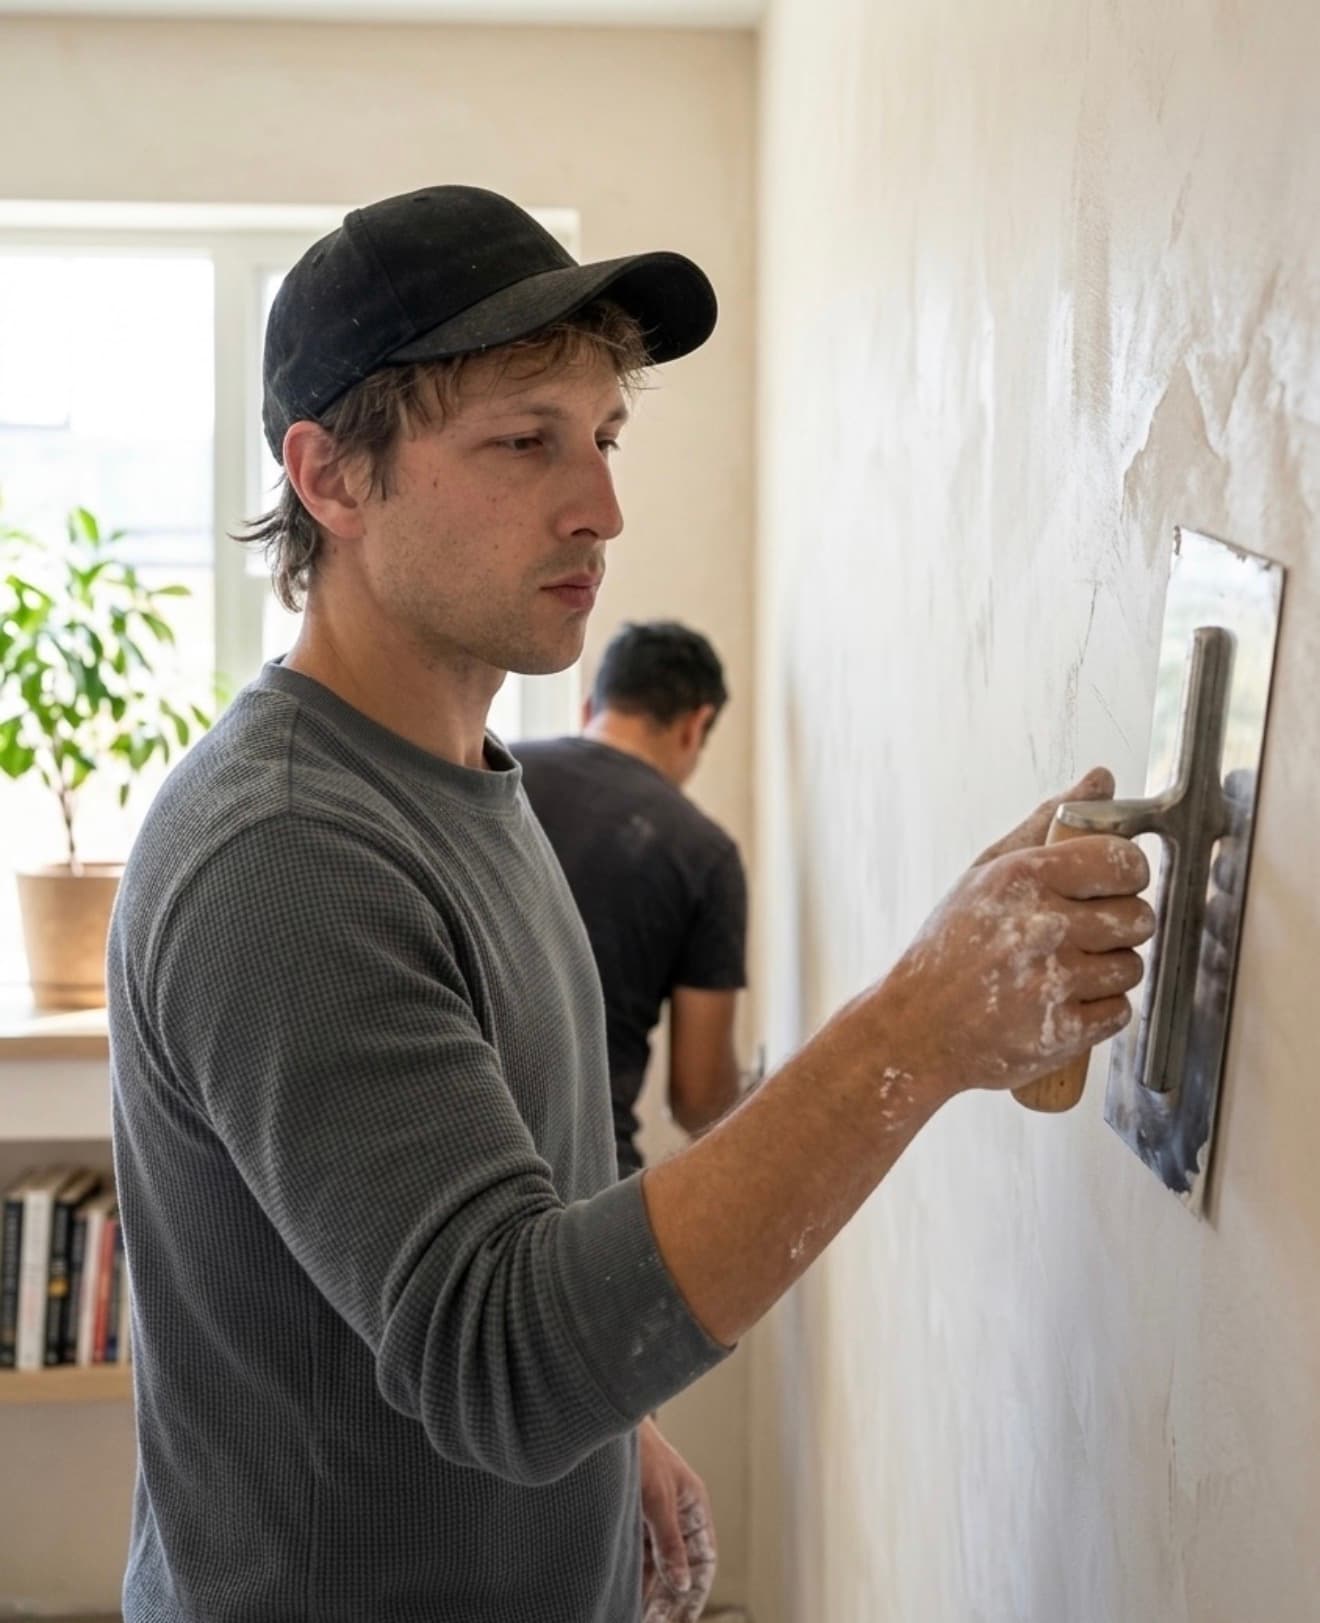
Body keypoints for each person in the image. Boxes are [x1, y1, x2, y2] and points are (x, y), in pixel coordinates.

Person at [106, 184, 1154, 1623]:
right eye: (523, 440)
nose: (600, 508)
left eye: (600, 437)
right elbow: (503, 1360)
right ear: (331, 477)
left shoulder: (466, 774)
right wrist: (918, 1027)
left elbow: (515, 1204)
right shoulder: (286, 853)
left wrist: (620, 1423)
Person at [516, 620, 747, 1178]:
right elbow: (698, 1101)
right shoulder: (704, 853)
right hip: (584, 1180)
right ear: (696, 724)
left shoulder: (490, 773)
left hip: (447, 1159)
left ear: (590, 707)